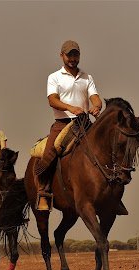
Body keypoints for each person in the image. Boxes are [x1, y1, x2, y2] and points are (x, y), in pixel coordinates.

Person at [34, 40, 102, 211]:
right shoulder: (54, 77)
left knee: (104, 146)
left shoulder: (87, 77)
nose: (72, 58)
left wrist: (97, 106)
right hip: (62, 124)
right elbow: (52, 100)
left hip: (84, 123)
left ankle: (111, 192)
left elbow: (94, 96)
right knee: (50, 152)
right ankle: (43, 191)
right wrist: (71, 108)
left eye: (75, 54)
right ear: (62, 55)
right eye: (69, 54)